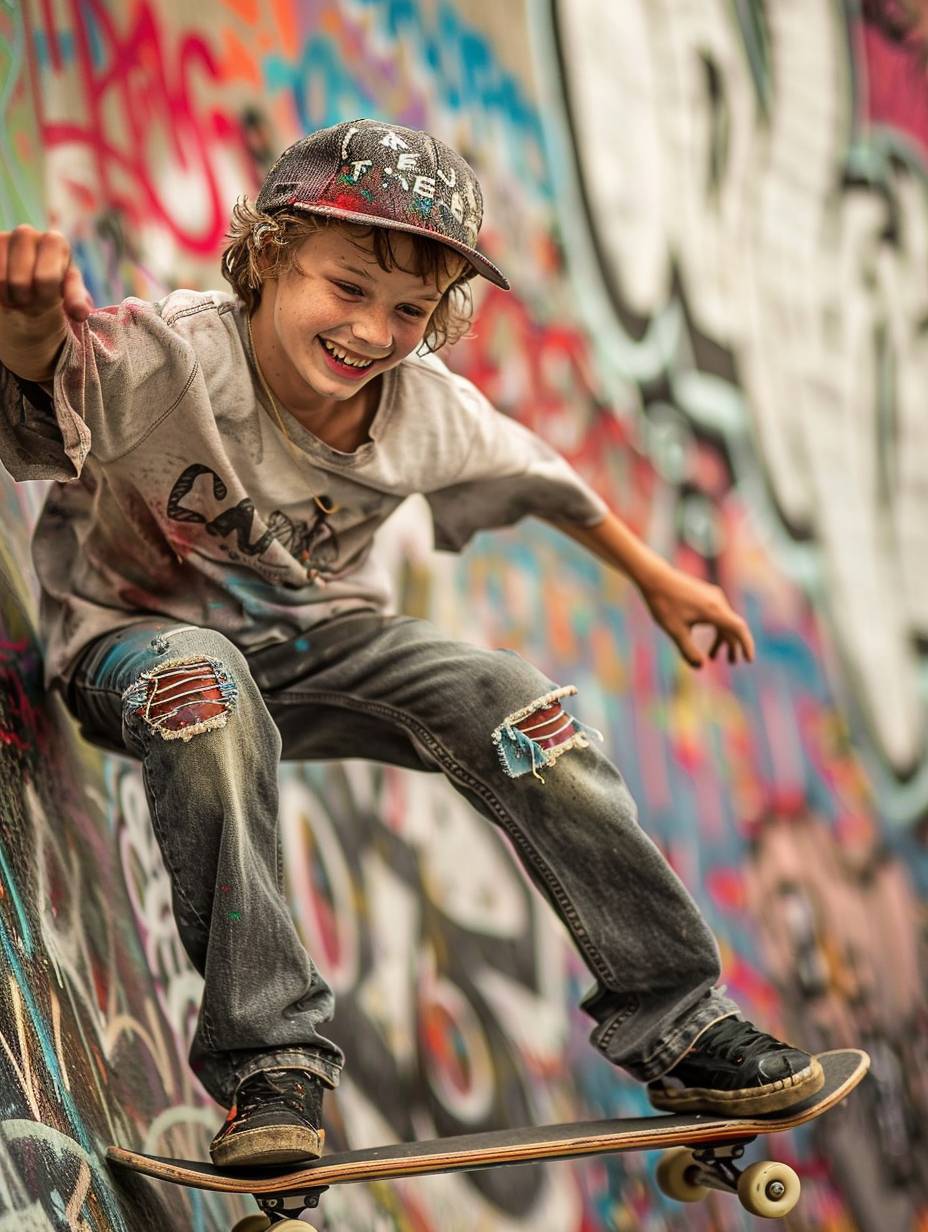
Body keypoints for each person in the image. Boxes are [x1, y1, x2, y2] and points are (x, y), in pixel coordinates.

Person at [0, 119, 823, 1169]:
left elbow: (549, 486)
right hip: (136, 651)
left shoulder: (429, 413)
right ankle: (272, 1062)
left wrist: (660, 581)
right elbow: (41, 400)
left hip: (322, 649)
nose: (370, 332)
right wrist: (24, 328)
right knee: (203, 684)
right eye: (345, 288)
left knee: (515, 700)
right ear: (267, 258)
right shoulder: (170, 354)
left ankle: (680, 1023)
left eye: (408, 310)